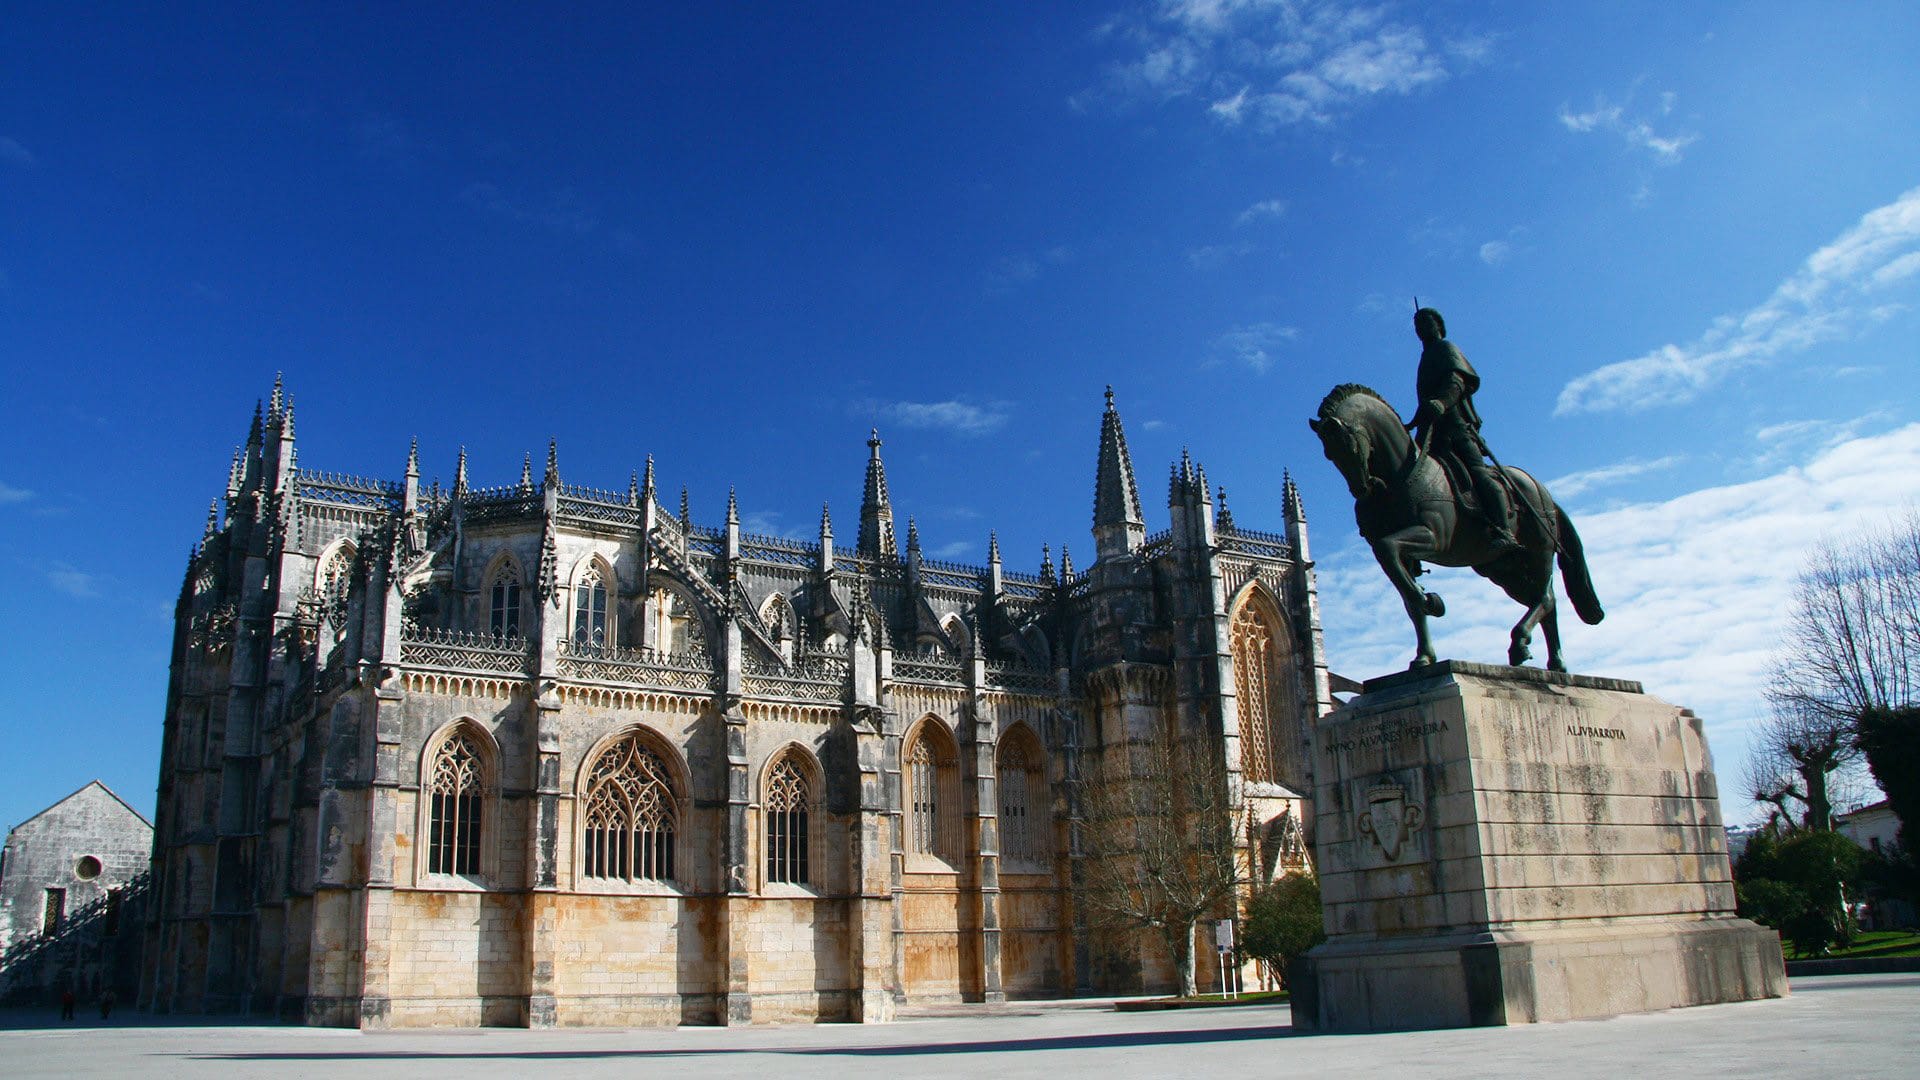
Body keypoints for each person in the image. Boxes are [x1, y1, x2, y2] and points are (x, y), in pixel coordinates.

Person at [1406, 307, 1518, 551]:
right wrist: (1413, 422)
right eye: (1417, 326)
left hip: (1455, 425)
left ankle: (1504, 529)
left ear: (1438, 325)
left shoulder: (1446, 349)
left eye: (1426, 322)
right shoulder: (1424, 359)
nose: (1421, 328)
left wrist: (1442, 403)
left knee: (1478, 473)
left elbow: (1456, 382)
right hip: (1432, 430)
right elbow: (1425, 401)